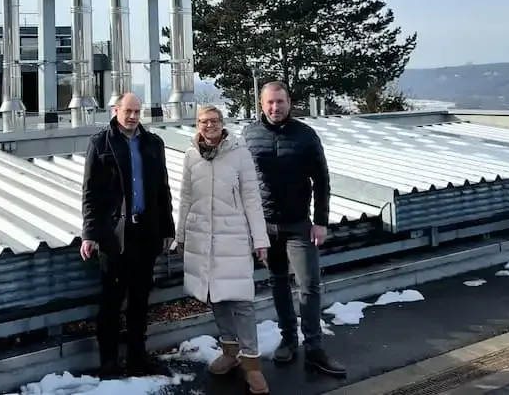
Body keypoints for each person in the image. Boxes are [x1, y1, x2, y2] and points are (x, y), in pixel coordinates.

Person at [243, 81, 347, 378]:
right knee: (277, 282)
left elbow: (322, 181)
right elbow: (242, 182)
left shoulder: (306, 135)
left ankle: (314, 348)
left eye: (280, 102)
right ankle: (289, 339)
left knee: (309, 285)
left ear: (289, 102)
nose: (275, 107)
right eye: (269, 103)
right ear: (261, 105)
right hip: (265, 226)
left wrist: (321, 221)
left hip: (299, 224)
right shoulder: (249, 135)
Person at [176, 105, 271, 394]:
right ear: (197, 125)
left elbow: (252, 198)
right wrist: (180, 235)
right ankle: (230, 353)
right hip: (204, 238)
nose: (209, 126)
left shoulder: (239, 153)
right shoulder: (191, 155)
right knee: (216, 297)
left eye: (214, 121)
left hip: (234, 237)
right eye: (204, 122)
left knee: (241, 300)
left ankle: (252, 365)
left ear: (222, 124)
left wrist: (260, 239)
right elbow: (185, 197)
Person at [80, 92, 175, 378]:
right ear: (116, 110)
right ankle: (108, 361)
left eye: (137, 111)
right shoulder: (101, 143)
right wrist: (90, 233)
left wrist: (167, 228)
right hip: (115, 235)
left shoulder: (153, 143)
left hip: (145, 232)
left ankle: (137, 357)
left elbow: (163, 190)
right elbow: (90, 193)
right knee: (111, 299)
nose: (133, 117)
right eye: (128, 111)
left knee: (140, 299)